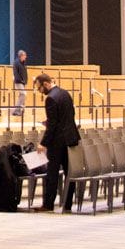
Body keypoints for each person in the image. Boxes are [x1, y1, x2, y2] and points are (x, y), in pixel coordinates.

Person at [34, 72, 79, 212]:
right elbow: (69, 115)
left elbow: (53, 124)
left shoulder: (51, 98)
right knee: (69, 173)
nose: (40, 92)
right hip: (70, 139)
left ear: (46, 84)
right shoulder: (65, 93)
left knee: (52, 173)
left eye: (40, 88)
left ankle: (48, 204)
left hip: (57, 142)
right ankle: (67, 204)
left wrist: (43, 143)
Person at [12, 49, 30, 116]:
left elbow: (25, 72)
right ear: (21, 56)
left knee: (21, 96)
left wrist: (25, 80)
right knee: (23, 94)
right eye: (25, 55)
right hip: (18, 82)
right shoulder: (16, 62)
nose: (26, 56)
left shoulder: (23, 62)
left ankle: (20, 110)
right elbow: (15, 73)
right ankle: (16, 111)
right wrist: (20, 80)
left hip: (23, 82)